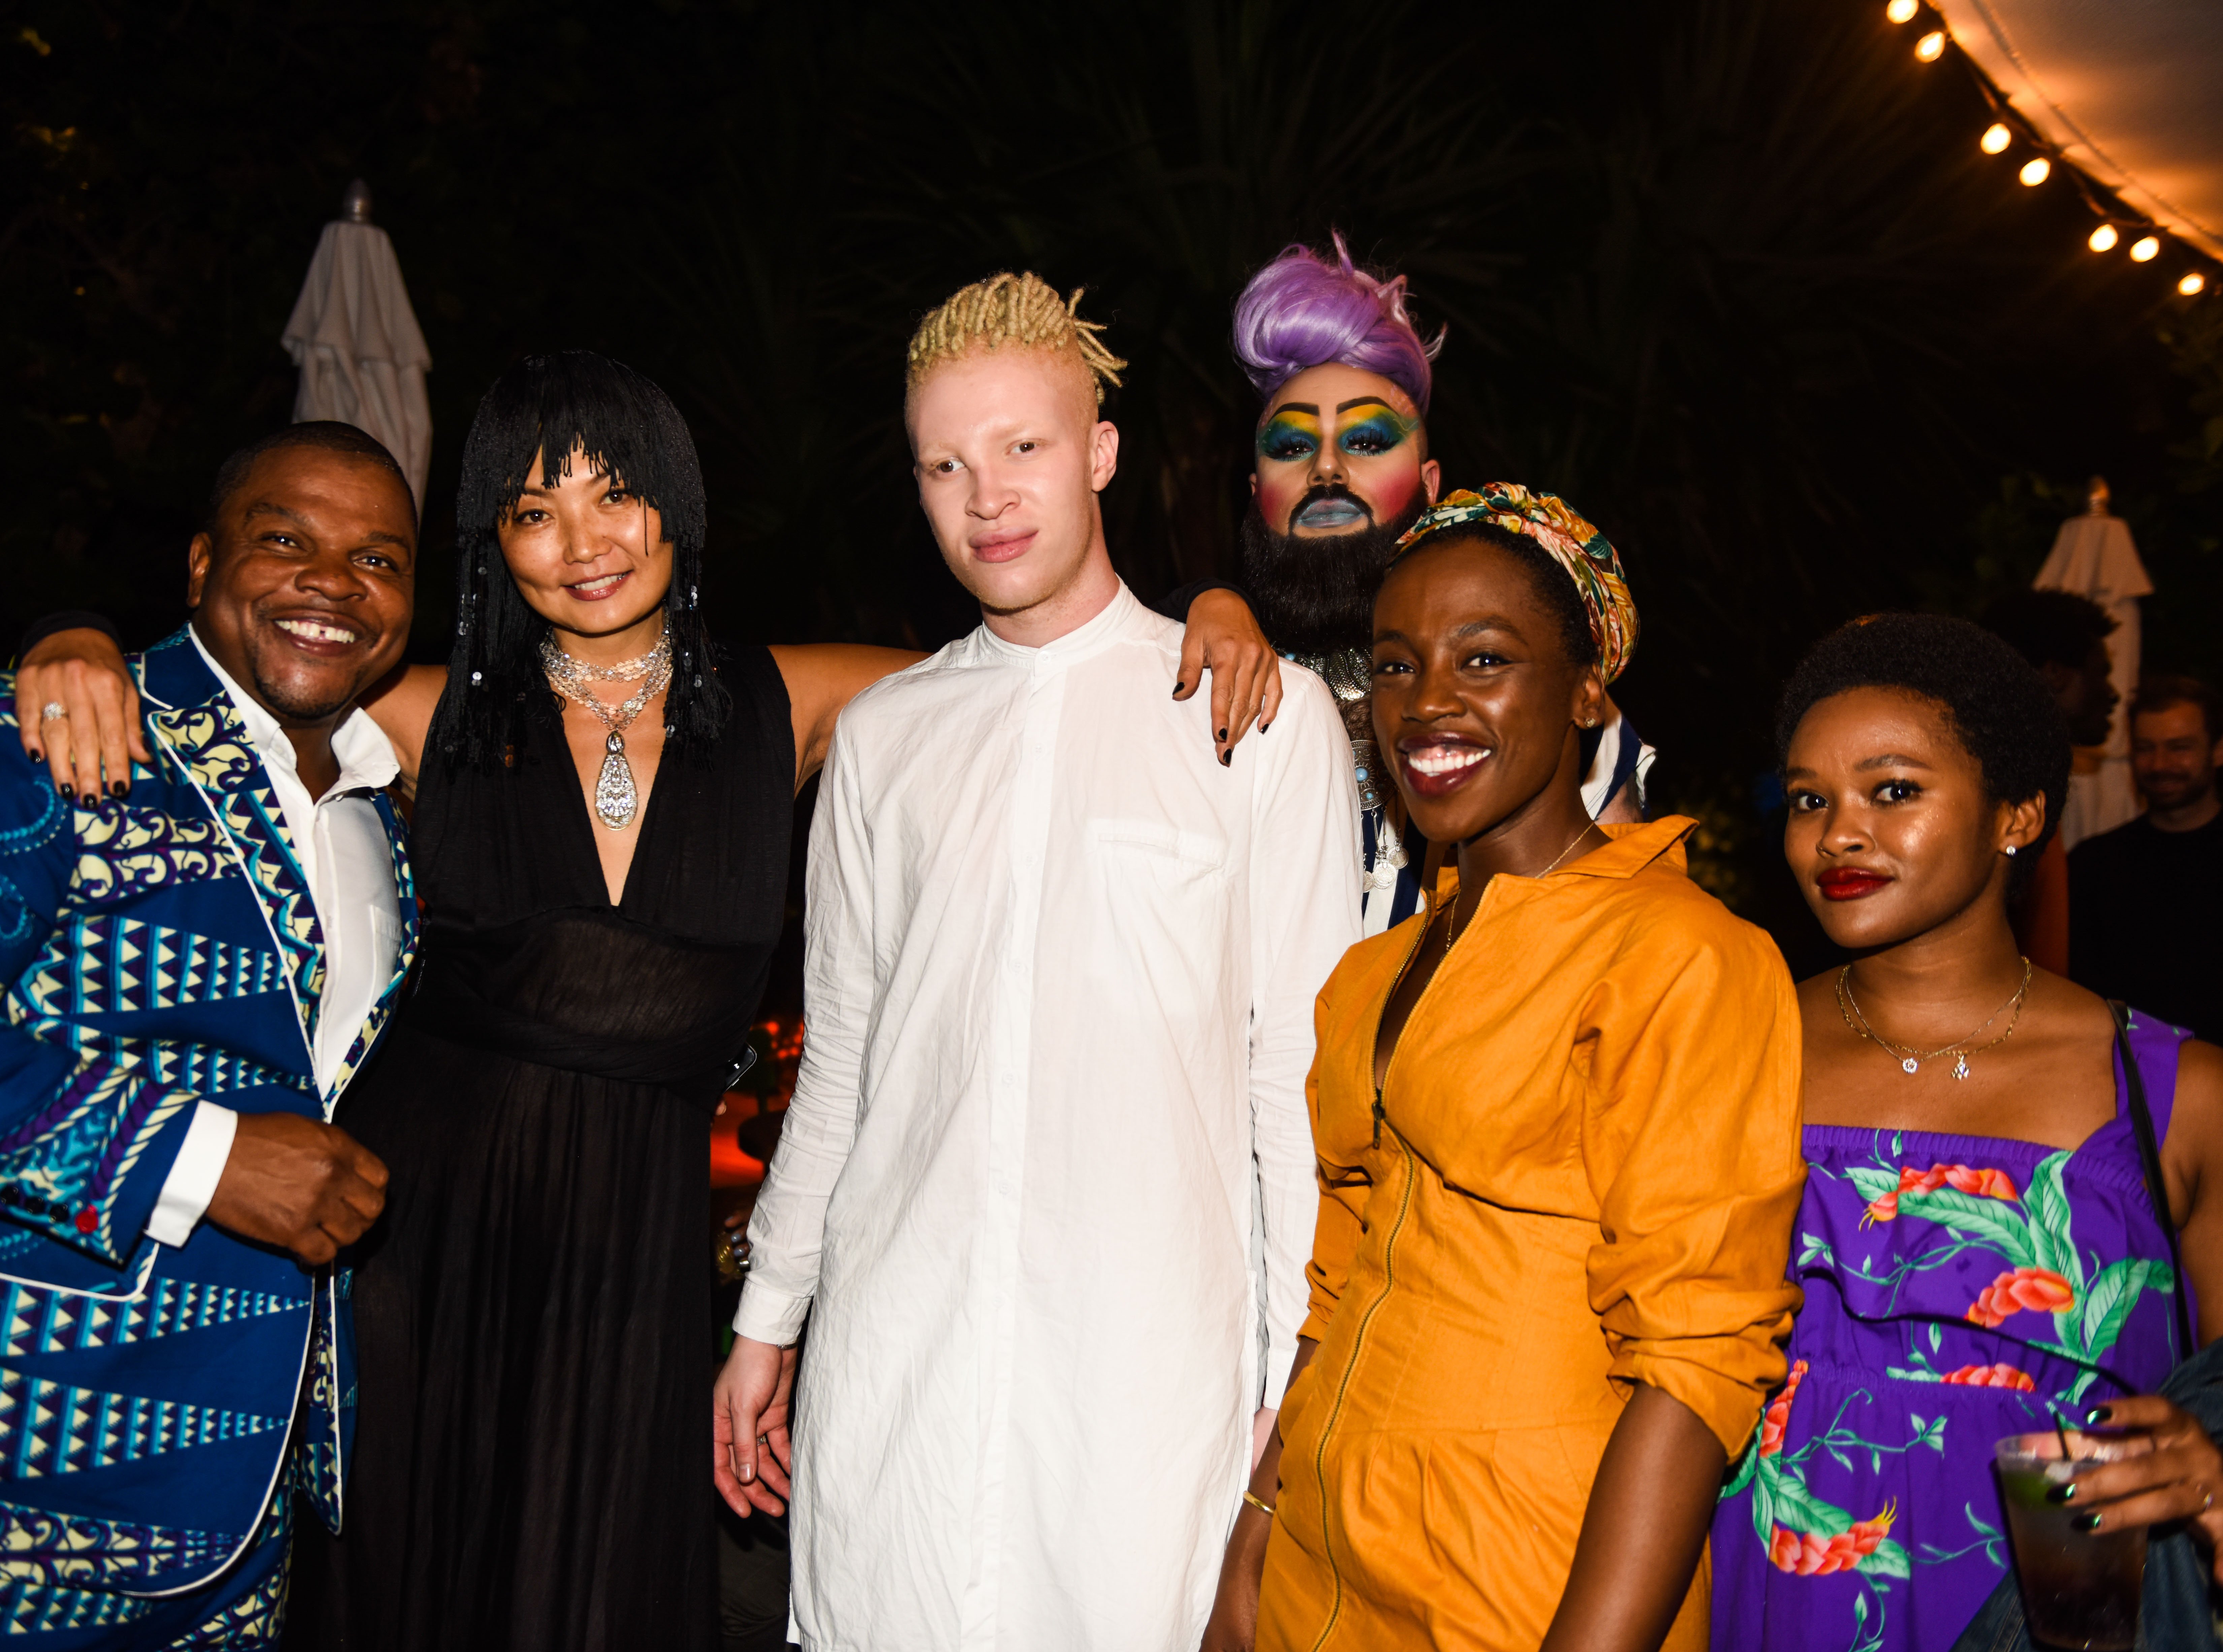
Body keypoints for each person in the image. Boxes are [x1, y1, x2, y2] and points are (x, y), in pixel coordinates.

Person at [8, 351, 1278, 1650]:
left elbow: (1038, 663)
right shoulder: (419, 711)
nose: (582, 543)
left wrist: (1213, 610)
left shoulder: (811, 702)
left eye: (615, 495)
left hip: (638, 1247)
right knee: (410, 1591)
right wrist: (74, 636)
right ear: (493, 542)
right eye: (533, 510)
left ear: (676, 502)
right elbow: (235, 660)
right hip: (423, 1243)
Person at [712, 272, 1362, 1650]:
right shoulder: (887, 737)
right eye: (946, 463)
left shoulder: (1261, 718)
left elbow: (1292, 1086)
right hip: (899, 1370)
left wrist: (1292, 1375)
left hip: (1144, 1392)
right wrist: (770, 1316)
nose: (987, 495)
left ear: (1101, 453)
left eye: (1022, 447)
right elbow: (845, 1059)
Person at [0, 422, 419, 1646]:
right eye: (286, 539)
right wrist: (200, 1156)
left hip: (233, 1511)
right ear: (201, 563)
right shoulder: (19, 732)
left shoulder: (380, 814)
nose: (334, 580)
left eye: (380, 557)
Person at [1212, 484, 1804, 1652]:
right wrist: (1255, 1533)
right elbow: (1338, 1286)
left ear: (1588, 690)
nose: (1428, 701)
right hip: (1323, 1564)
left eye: (1485, 660)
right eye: (1394, 666)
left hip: (1526, 1575)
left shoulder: (1679, 954)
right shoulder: (1371, 972)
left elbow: (1696, 1365)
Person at [1708, 615, 2223, 1651]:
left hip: (2049, 1607)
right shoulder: (1720, 1042)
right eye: (1809, 798)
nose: (1836, 833)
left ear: (2015, 813)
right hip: (1753, 1590)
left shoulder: (2174, 1089)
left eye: (1890, 789)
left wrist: (2206, 1460)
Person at [1177, 236, 1653, 934]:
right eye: (1291, 445)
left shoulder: (1544, 712)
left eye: (1367, 442)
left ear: (1430, 489)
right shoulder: (1190, 690)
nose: (1328, 470)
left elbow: (1626, 952)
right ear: (1257, 495)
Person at [2069, 674, 2223, 1037]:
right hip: (2132, 1081)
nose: (2159, 764)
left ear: (2218, 750)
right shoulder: (2094, 865)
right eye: (2144, 748)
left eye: (2179, 747)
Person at [1978, 588, 2120, 976]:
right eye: (2100, 674)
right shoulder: (2005, 791)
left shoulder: (2019, 777)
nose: (2113, 694)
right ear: (2056, 675)